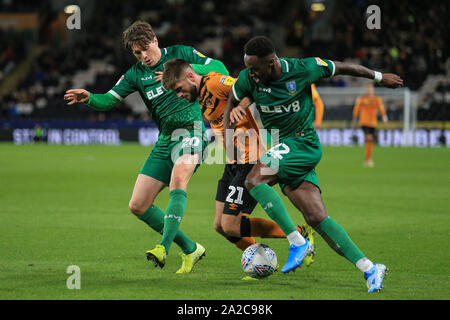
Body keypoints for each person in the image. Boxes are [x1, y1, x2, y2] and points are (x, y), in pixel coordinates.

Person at [224, 36, 403, 292]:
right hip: (284, 148)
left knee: (254, 179)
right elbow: (233, 98)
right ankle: (370, 268)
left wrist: (378, 76)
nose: (250, 74)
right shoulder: (249, 79)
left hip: (303, 142)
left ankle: (297, 241)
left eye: (254, 68)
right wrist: (232, 123)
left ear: (272, 62)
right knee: (317, 217)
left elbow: (342, 67)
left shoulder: (303, 68)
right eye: (248, 68)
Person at [64, 20, 229, 274]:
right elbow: (109, 99)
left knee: (178, 181)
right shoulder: (135, 74)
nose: (143, 56)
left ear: (155, 41)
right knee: (138, 205)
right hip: (165, 140)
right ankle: (191, 248)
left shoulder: (181, 54)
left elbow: (219, 67)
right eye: (137, 53)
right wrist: (90, 98)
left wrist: (185, 70)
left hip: (192, 132)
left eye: (145, 49)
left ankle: (162, 248)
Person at [161, 58, 316, 273]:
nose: (179, 94)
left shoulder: (215, 83)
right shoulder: (200, 93)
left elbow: (246, 87)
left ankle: (299, 235)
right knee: (220, 226)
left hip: (250, 160)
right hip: (233, 162)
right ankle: (263, 262)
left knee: (231, 225)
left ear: (190, 76)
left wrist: (242, 106)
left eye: (179, 89)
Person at [352, 83, 388, 167]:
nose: (369, 90)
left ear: (373, 90)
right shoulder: (361, 99)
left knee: (370, 140)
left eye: (370, 89)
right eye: (368, 89)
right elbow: (356, 110)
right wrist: (354, 120)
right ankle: (368, 160)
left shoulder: (377, 99)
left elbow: (381, 109)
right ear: (366, 90)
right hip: (364, 122)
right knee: (369, 138)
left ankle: (368, 159)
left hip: (373, 123)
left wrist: (385, 118)